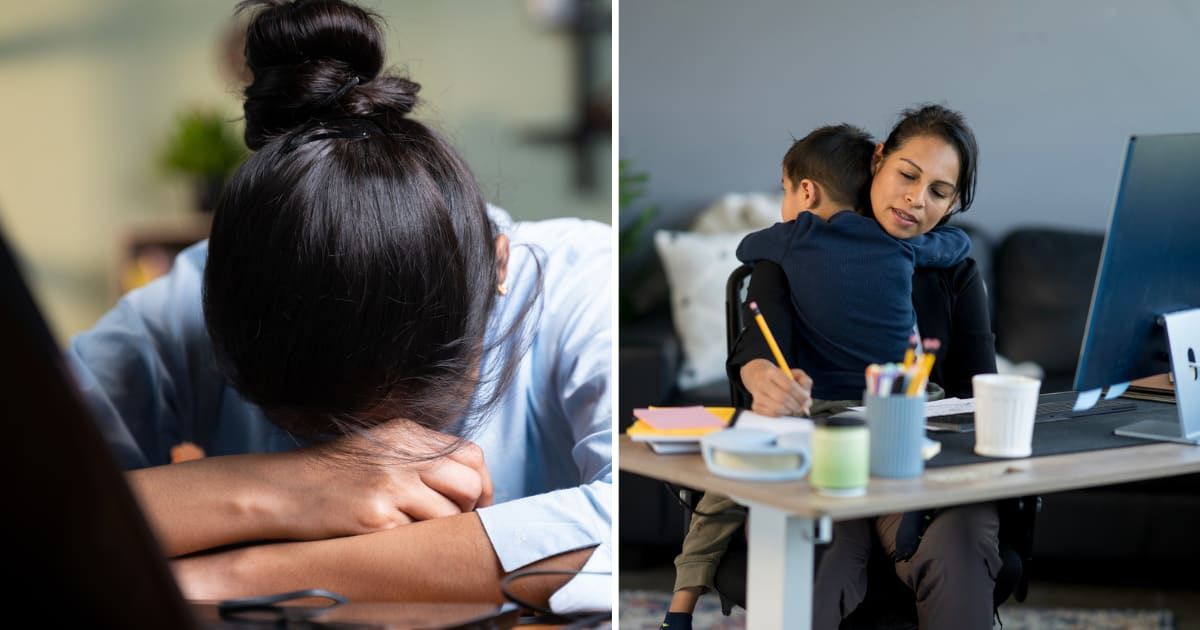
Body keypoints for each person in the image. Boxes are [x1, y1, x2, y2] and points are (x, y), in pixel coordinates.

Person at [66, 0, 610, 613]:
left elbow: (643, 525)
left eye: (412, 424)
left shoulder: (578, 282)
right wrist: (283, 485)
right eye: (305, 431)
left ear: (499, 268)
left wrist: (238, 574)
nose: (376, 464)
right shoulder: (188, 301)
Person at [662, 117, 975, 629]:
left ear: (804, 191)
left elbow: (745, 251)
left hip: (826, 412)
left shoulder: (791, 239)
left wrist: (787, 233)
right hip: (907, 404)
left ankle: (680, 608)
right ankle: (916, 512)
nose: (918, 201)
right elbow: (956, 246)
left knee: (721, 493)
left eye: (783, 191)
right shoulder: (906, 245)